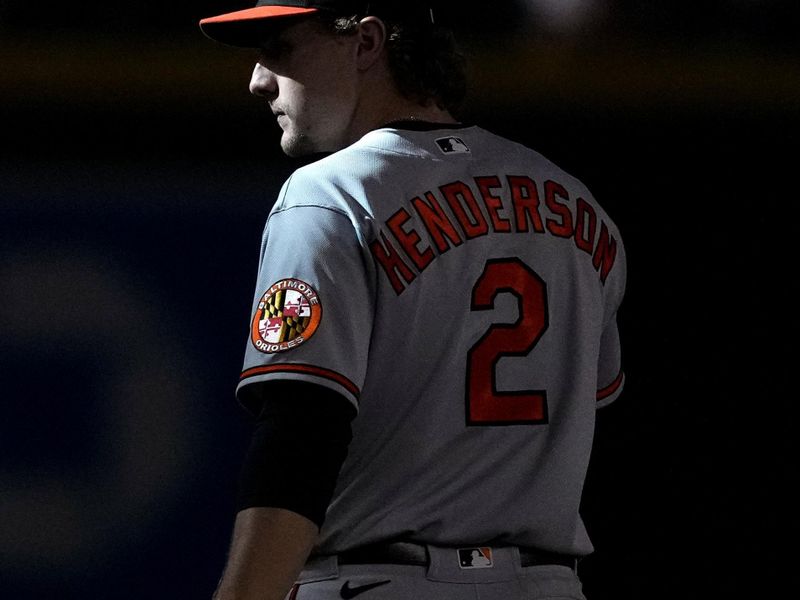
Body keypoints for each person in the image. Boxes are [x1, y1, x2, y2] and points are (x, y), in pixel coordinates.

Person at [198, 2, 626, 599]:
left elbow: (300, 436)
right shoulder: (575, 205)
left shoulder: (331, 194)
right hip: (548, 584)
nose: (258, 79)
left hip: (380, 580)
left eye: (281, 48)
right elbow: (588, 412)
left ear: (367, 43)